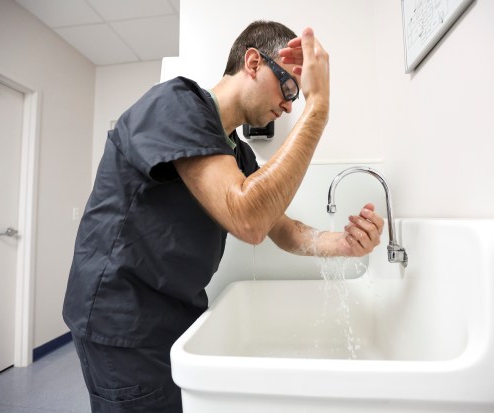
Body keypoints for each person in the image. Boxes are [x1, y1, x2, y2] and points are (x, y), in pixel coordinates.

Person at [63, 20, 384, 413]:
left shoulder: (239, 154)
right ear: (253, 62)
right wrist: (317, 109)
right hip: (124, 316)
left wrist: (343, 244)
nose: (288, 105)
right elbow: (247, 219)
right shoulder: (175, 104)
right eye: (287, 89)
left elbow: (278, 227)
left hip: (174, 313)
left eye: (296, 98)